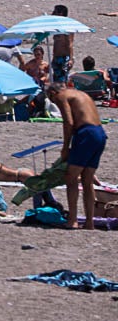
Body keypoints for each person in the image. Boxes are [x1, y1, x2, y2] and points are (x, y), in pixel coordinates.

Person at [47, 82, 108, 229]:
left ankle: (72, 220)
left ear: (52, 93)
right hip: (100, 133)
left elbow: (68, 121)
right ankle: (89, 222)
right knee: (87, 180)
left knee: (71, 176)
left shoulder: (61, 96)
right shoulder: (81, 94)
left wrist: (66, 147)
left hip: (86, 133)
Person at [0, 143, 60, 209]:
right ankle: (49, 208)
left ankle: (42, 210)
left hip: (20, 175)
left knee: (38, 191)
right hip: (21, 173)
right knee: (41, 189)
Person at [50, 4, 74, 84]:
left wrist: (70, 59)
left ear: (60, 14)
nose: (52, 13)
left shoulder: (67, 27)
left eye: (55, 12)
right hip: (56, 57)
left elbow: (70, 43)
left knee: (62, 82)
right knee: (55, 81)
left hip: (64, 58)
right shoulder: (56, 28)